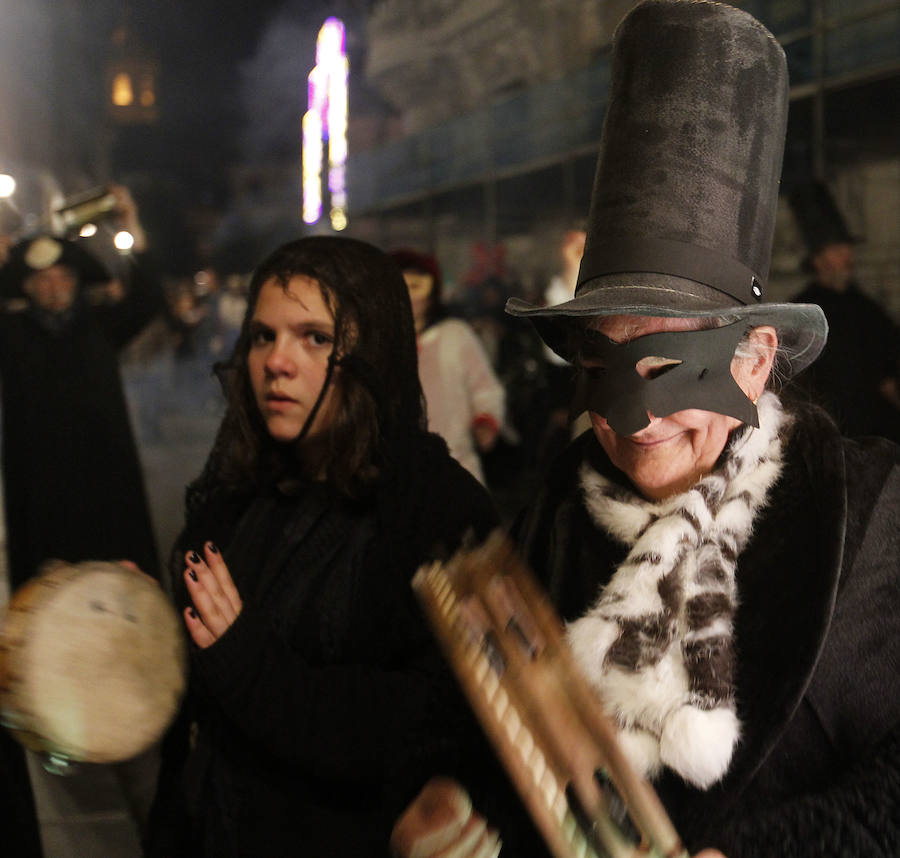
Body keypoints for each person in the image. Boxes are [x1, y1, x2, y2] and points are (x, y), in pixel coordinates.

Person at [392, 2, 899, 857]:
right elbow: (490, 734)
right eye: (599, 370)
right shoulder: (556, 516)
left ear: (752, 358)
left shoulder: (864, 517)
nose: (636, 421)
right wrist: (451, 799)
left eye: (668, 371)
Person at [145, 236, 499, 857]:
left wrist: (249, 662)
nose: (277, 362)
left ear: (372, 353)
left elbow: (434, 718)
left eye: (314, 338)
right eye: (263, 336)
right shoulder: (239, 493)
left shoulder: (434, 508)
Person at [0, 185, 162, 591]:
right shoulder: (10, 334)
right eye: (42, 279)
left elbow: (148, 298)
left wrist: (130, 225)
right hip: (41, 495)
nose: (53, 287)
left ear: (75, 281)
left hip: (105, 486)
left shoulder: (101, 326)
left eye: (61, 277)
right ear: (26, 287)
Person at [788, 180, 900, 441]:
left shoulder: (867, 309)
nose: (848, 255)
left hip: (877, 437)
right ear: (818, 259)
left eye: (847, 248)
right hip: (828, 436)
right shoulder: (802, 313)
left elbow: (888, 373)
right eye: (838, 249)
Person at [390, 248, 506, 486]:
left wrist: (485, 421)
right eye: (400, 287)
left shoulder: (455, 335)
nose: (409, 297)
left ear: (432, 291)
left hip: (456, 468)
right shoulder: (378, 342)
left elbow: (485, 388)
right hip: (393, 473)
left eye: (416, 286)